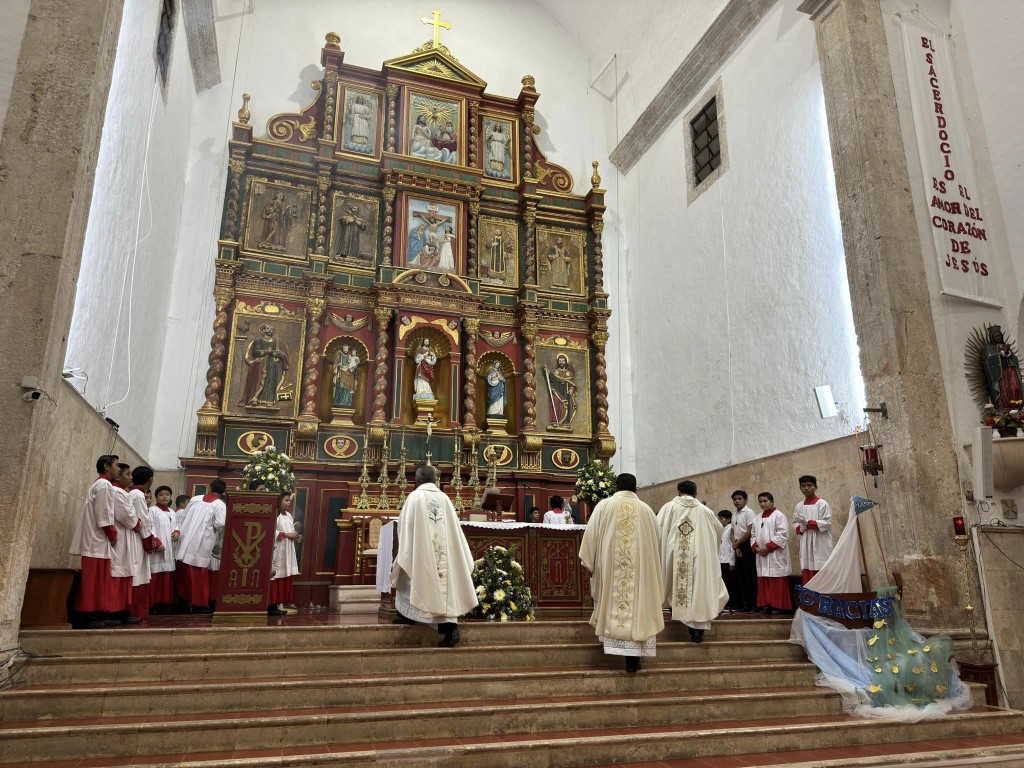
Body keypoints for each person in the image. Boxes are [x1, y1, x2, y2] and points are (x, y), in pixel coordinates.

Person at [580, 473, 664, 673]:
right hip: (641, 572)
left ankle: (613, 645)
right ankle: (633, 661)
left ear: (616, 487)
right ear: (636, 488)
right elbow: (657, 540)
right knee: (638, 608)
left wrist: (590, 565)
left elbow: (590, 538)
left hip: (610, 569)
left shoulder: (604, 506)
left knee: (611, 601)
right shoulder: (646, 510)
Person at [391, 464, 478, 647]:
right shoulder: (445, 498)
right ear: (435, 480)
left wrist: (407, 550)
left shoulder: (414, 497)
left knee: (412, 577)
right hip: (444, 557)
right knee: (447, 588)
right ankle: (450, 629)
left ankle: (409, 616)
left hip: (422, 553)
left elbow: (405, 528)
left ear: (417, 479)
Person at [656, 480, 729, 643]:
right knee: (698, 591)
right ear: (695, 493)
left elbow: (657, 529)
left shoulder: (669, 507)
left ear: (678, 492)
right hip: (700, 555)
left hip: (675, 554)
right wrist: (709, 549)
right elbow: (718, 530)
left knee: (679, 587)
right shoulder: (705, 511)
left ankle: (687, 621)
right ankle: (697, 631)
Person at [69, 455, 125, 628]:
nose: (119, 470)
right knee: (92, 581)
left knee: (97, 580)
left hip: (96, 539)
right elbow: (104, 513)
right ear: (107, 466)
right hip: (97, 539)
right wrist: (112, 533)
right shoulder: (104, 485)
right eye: (116, 466)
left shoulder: (100, 484)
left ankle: (95, 613)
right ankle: (87, 615)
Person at [175, 479, 227, 613]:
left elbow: (184, 516)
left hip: (186, 538)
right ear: (223, 492)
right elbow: (220, 523)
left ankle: (184, 601)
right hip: (203, 540)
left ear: (209, 488)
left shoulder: (195, 499)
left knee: (185, 570)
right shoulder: (219, 504)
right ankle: (199, 604)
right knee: (198, 573)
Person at [127, 466, 162, 622]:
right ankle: (136, 611)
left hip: (135, 539)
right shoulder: (139, 495)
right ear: (150, 480)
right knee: (139, 576)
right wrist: (149, 544)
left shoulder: (132, 493)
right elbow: (144, 522)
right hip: (137, 541)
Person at [751, 492, 792, 614]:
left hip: (775, 554)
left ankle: (778, 605)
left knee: (776, 578)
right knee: (764, 579)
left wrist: (768, 548)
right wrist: (756, 547)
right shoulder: (757, 518)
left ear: (772, 501)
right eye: (760, 501)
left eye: (765, 501)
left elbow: (783, 534)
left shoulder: (779, 516)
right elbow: (753, 535)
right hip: (761, 555)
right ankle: (766, 604)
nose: (762, 504)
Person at [109, 463, 141, 624]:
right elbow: (129, 517)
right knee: (118, 572)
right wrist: (138, 522)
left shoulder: (122, 492)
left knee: (125, 573)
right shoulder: (116, 492)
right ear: (117, 476)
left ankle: (122, 609)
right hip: (120, 538)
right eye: (128, 474)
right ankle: (115, 610)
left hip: (126, 537)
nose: (131, 477)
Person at [792, 475, 833, 584]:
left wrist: (807, 523)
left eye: (809, 485)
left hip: (820, 542)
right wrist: (802, 526)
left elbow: (826, 524)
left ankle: (825, 598)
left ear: (815, 487)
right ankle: (812, 600)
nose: (806, 488)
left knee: (822, 568)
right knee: (808, 569)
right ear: (800, 488)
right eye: (803, 486)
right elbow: (795, 525)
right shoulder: (798, 506)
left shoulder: (822, 504)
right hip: (806, 543)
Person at [268, 491, 300, 616]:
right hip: (278, 550)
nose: (289, 503)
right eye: (286, 500)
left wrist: (295, 535)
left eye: (289, 500)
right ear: (279, 501)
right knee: (275, 575)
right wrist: (287, 534)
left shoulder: (288, 515)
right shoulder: (275, 515)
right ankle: (270, 605)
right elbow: (271, 531)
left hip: (287, 550)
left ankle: (277, 604)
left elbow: (291, 530)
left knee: (284, 575)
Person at [149, 485, 178, 613]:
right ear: (156, 497)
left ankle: (165, 603)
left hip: (170, 549)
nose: (164, 496)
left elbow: (177, 525)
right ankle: (154, 604)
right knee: (156, 577)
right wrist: (156, 542)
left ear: (171, 497)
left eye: (167, 494)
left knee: (167, 577)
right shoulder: (152, 510)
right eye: (161, 494)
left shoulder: (172, 512)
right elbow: (150, 528)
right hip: (158, 550)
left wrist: (177, 532)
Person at [730, 490, 757, 612]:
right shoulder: (734, 514)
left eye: (739, 499)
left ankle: (754, 605)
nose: (737, 501)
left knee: (749, 575)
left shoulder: (749, 512)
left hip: (746, 544)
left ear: (745, 500)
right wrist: (735, 546)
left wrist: (738, 543)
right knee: (741, 576)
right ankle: (745, 604)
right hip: (737, 546)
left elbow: (750, 531)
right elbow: (732, 531)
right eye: (735, 499)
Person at [717, 510, 740, 612]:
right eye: (719, 518)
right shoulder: (721, 529)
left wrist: (732, 561)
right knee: (725, 583)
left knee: (731, 583)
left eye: (721, 518)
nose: (719, 520)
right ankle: (726, 603)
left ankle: (733, 603)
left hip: (728, 560)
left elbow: (732, 547)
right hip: (721, 560)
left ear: (728, 519)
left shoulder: (730, 529)